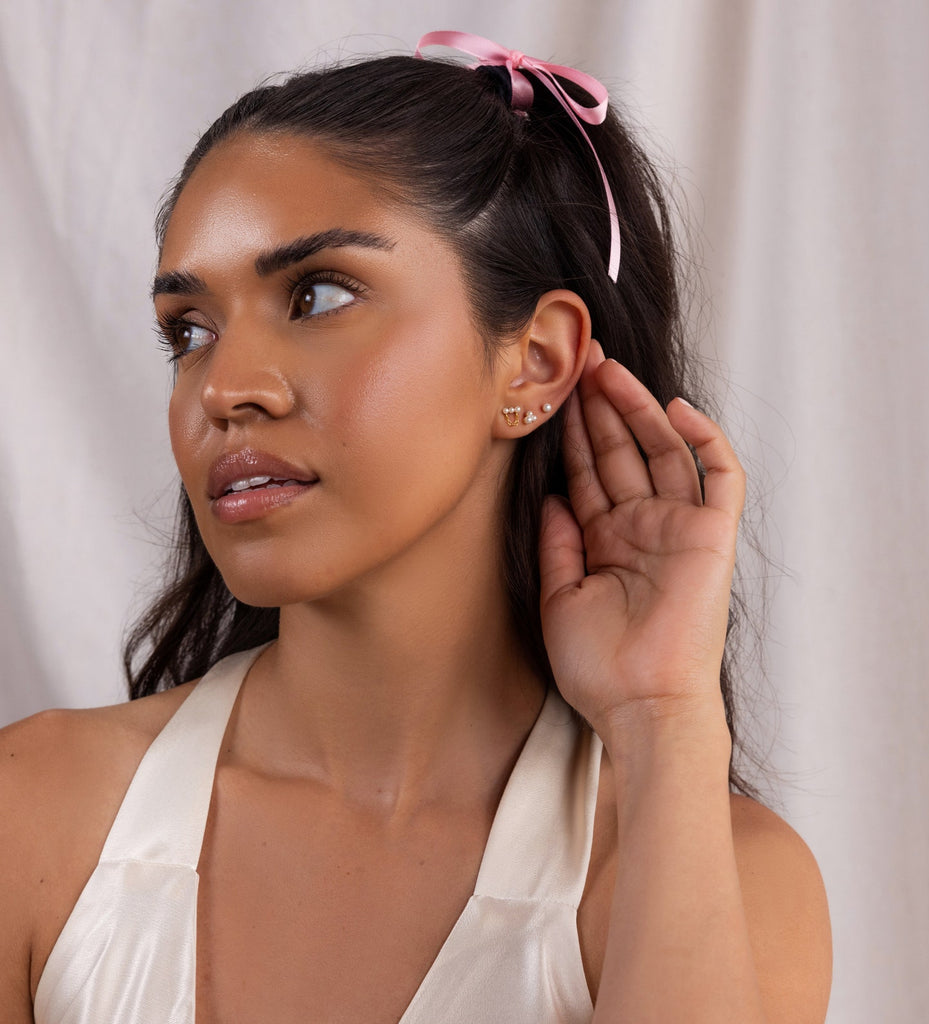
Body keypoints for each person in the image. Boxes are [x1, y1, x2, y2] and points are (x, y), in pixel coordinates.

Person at [0, 31, 831, 1024]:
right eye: (190, 329)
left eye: (316, 296)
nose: (224, 389)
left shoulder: (723, 882)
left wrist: (664, 717)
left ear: (534, 361)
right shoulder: (37, 812)